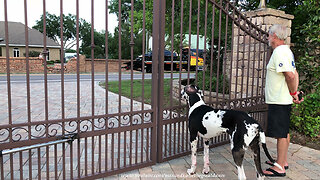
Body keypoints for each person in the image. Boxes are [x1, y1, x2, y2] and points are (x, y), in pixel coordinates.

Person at [263, 24, 304, 177]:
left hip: (279, 100)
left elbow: (291, 76)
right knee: (284, 131)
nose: (267, 37)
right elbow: (295, 72)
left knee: (280, 133)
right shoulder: (286, 51)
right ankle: (283, 161)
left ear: (274, 36)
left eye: (268, 34)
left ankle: (279, 167)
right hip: (283, 98)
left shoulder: (280, 52)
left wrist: (293, 91)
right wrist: (294, 93)